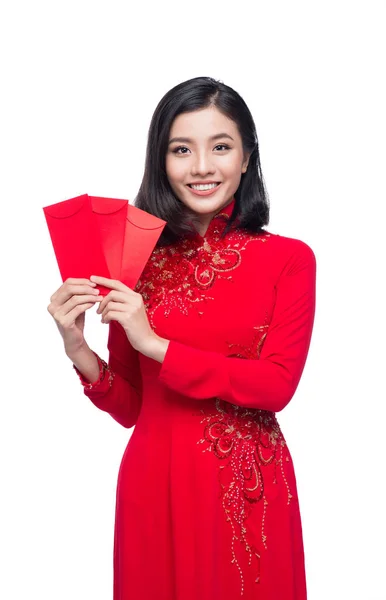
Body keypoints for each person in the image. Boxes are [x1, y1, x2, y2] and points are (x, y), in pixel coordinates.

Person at [47, 76, 317, 600]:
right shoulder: (135, 262)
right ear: (160, 160)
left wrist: (156, 344)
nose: (200, 167)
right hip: (154, 481)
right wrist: (78, 348)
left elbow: (276, 385)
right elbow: (131, 405)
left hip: (246, 487)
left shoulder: (289, 259)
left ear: (246, 157)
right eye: (181, 149)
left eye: (220, 147)